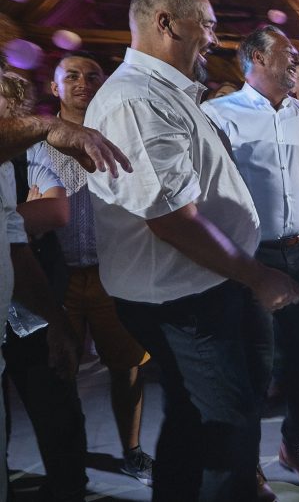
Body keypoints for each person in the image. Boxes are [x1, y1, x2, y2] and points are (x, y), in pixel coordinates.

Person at [84, 0, 299, 501]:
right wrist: (257, 274)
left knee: (196, 420)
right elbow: (170, 218)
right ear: (166, 23)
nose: (214, 38)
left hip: (205, 284)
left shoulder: (166, 92)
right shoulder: (135, 101)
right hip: (182, 296)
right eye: (205, 25)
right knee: (223, 431)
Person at [202, 25, 299, 498]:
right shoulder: (218, 114)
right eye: (288, 53)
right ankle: (247, 465)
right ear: (257, 57)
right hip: (248, 255)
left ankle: (293, 445)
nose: (297, 61)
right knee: (252, 367)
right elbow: (205, 195)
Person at [0, 69, 131, 502]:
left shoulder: (29, 152)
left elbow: (53, 215)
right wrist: (21, 213)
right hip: (37, 283)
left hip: (31, 298)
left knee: (57, 406)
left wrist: (9, 219)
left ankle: (69, 486)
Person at [27, 54, 155, 484]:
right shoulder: (37, 142)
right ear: (54, 85)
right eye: (72, 76)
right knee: (61, 368)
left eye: (93, 75)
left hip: (110, 270)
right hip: (56, 274)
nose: (83, 82)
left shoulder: (122, 135)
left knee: (127, 365)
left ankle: (133, 451)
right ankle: (70, 458)